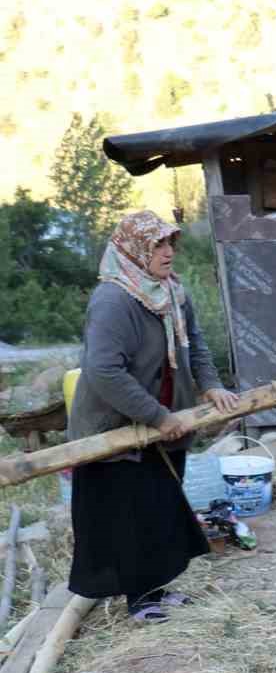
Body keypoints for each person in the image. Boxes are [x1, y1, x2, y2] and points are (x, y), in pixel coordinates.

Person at [66, 211, 239, 623]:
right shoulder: (113, 300)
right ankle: (140, 601)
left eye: (171, 243)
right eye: (159, 244)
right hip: (117, 426)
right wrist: (158, 416)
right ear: (134, 250)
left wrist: (210, 384)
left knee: (160, 506)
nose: (169, 252)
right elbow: (104, 372)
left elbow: (193, 344)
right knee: (129, 512)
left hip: (164, 422)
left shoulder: (171, 292)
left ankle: (157, 589)